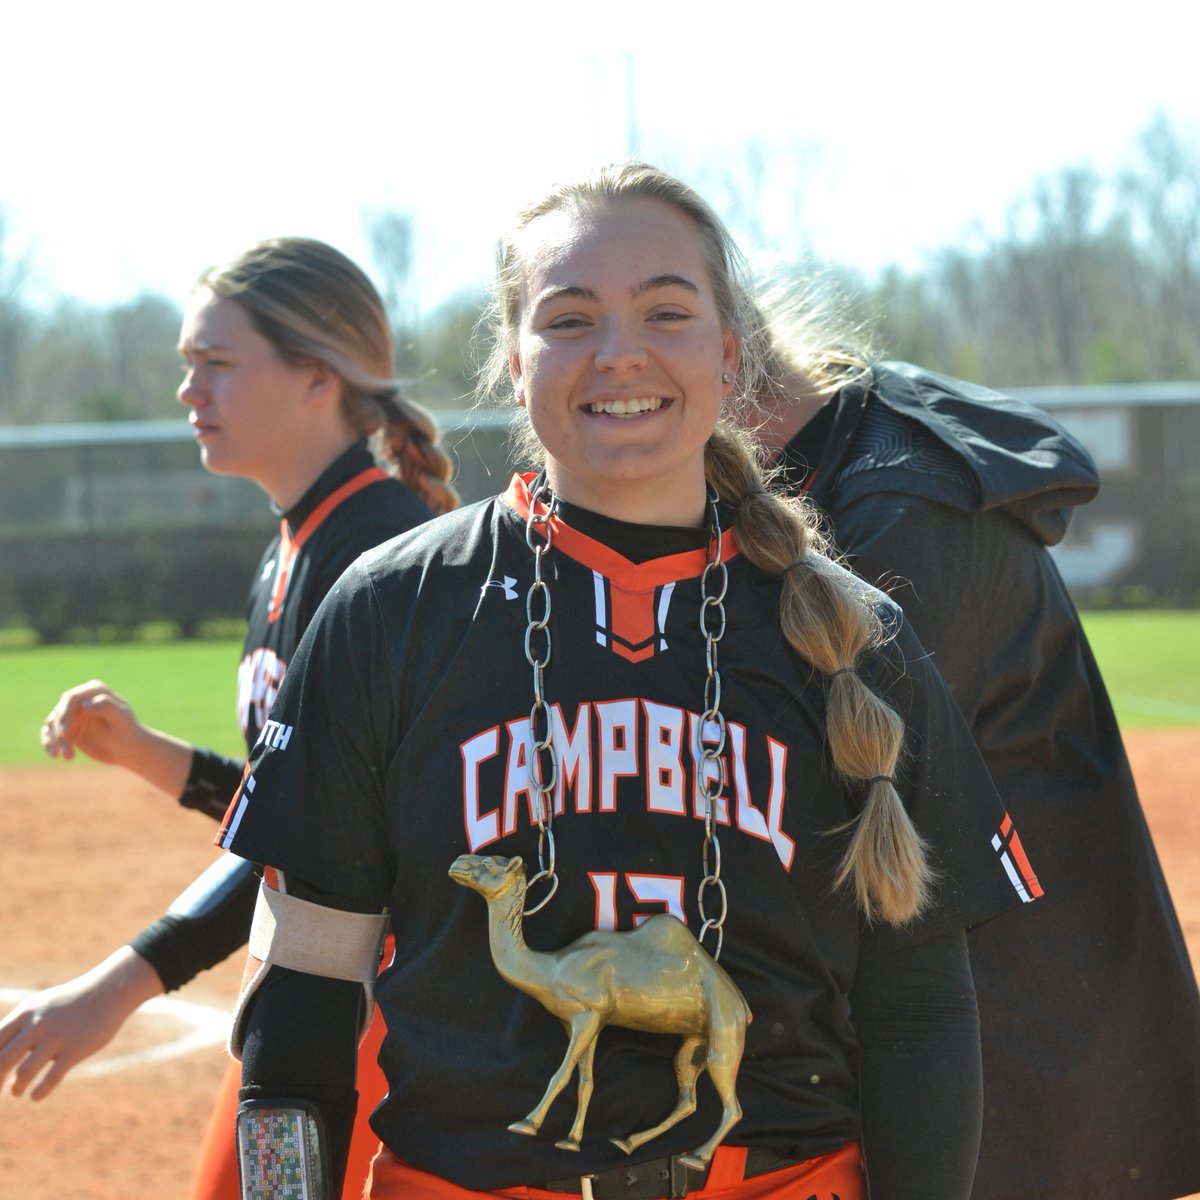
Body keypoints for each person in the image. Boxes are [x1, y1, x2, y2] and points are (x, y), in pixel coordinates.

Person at [216, 163, 1042, 1200]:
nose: (620, 353)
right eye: (568, 319)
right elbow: (302, 996)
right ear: (513, 365)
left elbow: (920, 1007)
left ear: (729, 351)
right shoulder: (395, 609)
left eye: (667, 310)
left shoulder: (853, 640)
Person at [0, 237, 458, 1199]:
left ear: (315, 376)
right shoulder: (296, 543)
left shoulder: (371, 555)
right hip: (312, 984)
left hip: (379, 1012)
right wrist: (144, 753)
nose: (188, 390)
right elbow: (286, 800)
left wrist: (114, 985)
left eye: (216, 361)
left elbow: (318, 837)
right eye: (185, 365)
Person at [747, 288, 1200, 1200]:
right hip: (1017, 1028)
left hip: (1002, 1056)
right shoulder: (860, 450)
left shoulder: (895, 514)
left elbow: (822, 825)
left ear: (727, 362)